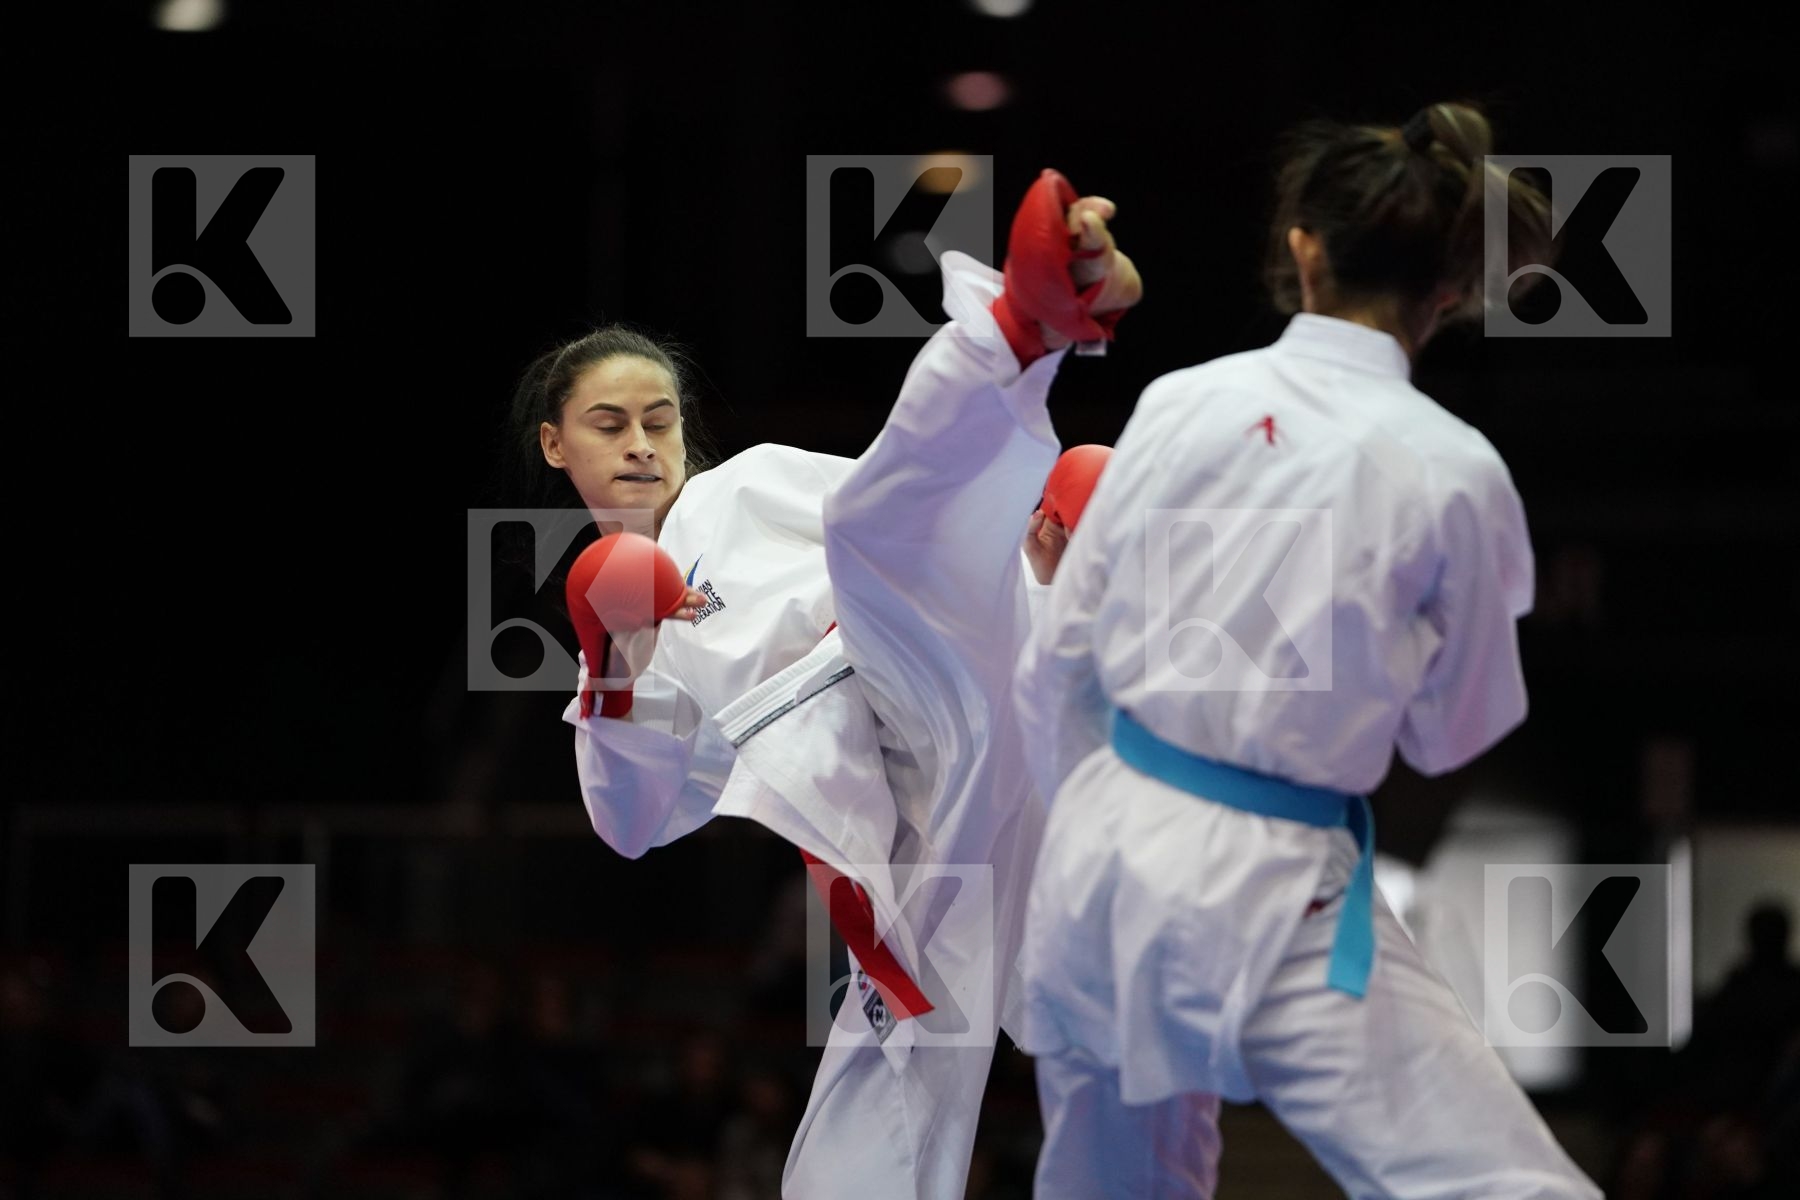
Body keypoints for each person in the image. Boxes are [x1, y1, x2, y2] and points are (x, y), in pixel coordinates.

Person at [505, 168, 1140, 1197]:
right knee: (873, 1126)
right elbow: (635, 825)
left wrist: (1030, 536)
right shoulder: (627, 635)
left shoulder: (748, 485)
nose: (639, 445)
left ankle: (1025, 327)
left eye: (658, 420)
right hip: (918, 823)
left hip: (930, 658)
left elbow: (907, 518)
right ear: (554, 443)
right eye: (609, 424)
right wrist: (609, 660)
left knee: (877, 532)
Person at [1013, 102, 1603, 1198]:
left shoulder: (1180, 402)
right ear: (1447, 291)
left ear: (1304, 248)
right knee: (1499, 1182)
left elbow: (1065, 649)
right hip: (1277, 885)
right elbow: (1451, 731)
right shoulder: (1453, 469)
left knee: (1112, 1187)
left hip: (1106, 853)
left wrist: (1084, 825)